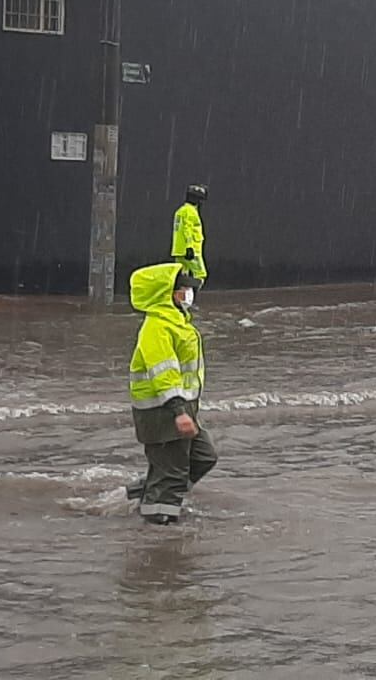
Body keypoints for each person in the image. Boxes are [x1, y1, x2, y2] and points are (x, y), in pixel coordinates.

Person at [123, 263, 216, 526]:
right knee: (174, 473)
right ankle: (158, 523)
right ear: (168, 293)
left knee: (204, 456)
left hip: (181, 409)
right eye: (183, 289)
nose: (188, 293)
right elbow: (163, 372)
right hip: (162, 412)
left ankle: (146, 494)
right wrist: (178, 411)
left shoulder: (176, 321)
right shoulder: (156, 327)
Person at [172, 184, 208, 285]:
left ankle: (181, 298)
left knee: (183, 275)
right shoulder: (190, 212)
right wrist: (189, 247)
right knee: (200, 274)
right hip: (192, 250)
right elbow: (187, 230)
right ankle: (191, 297)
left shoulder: (180, 211)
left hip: (179, 250)